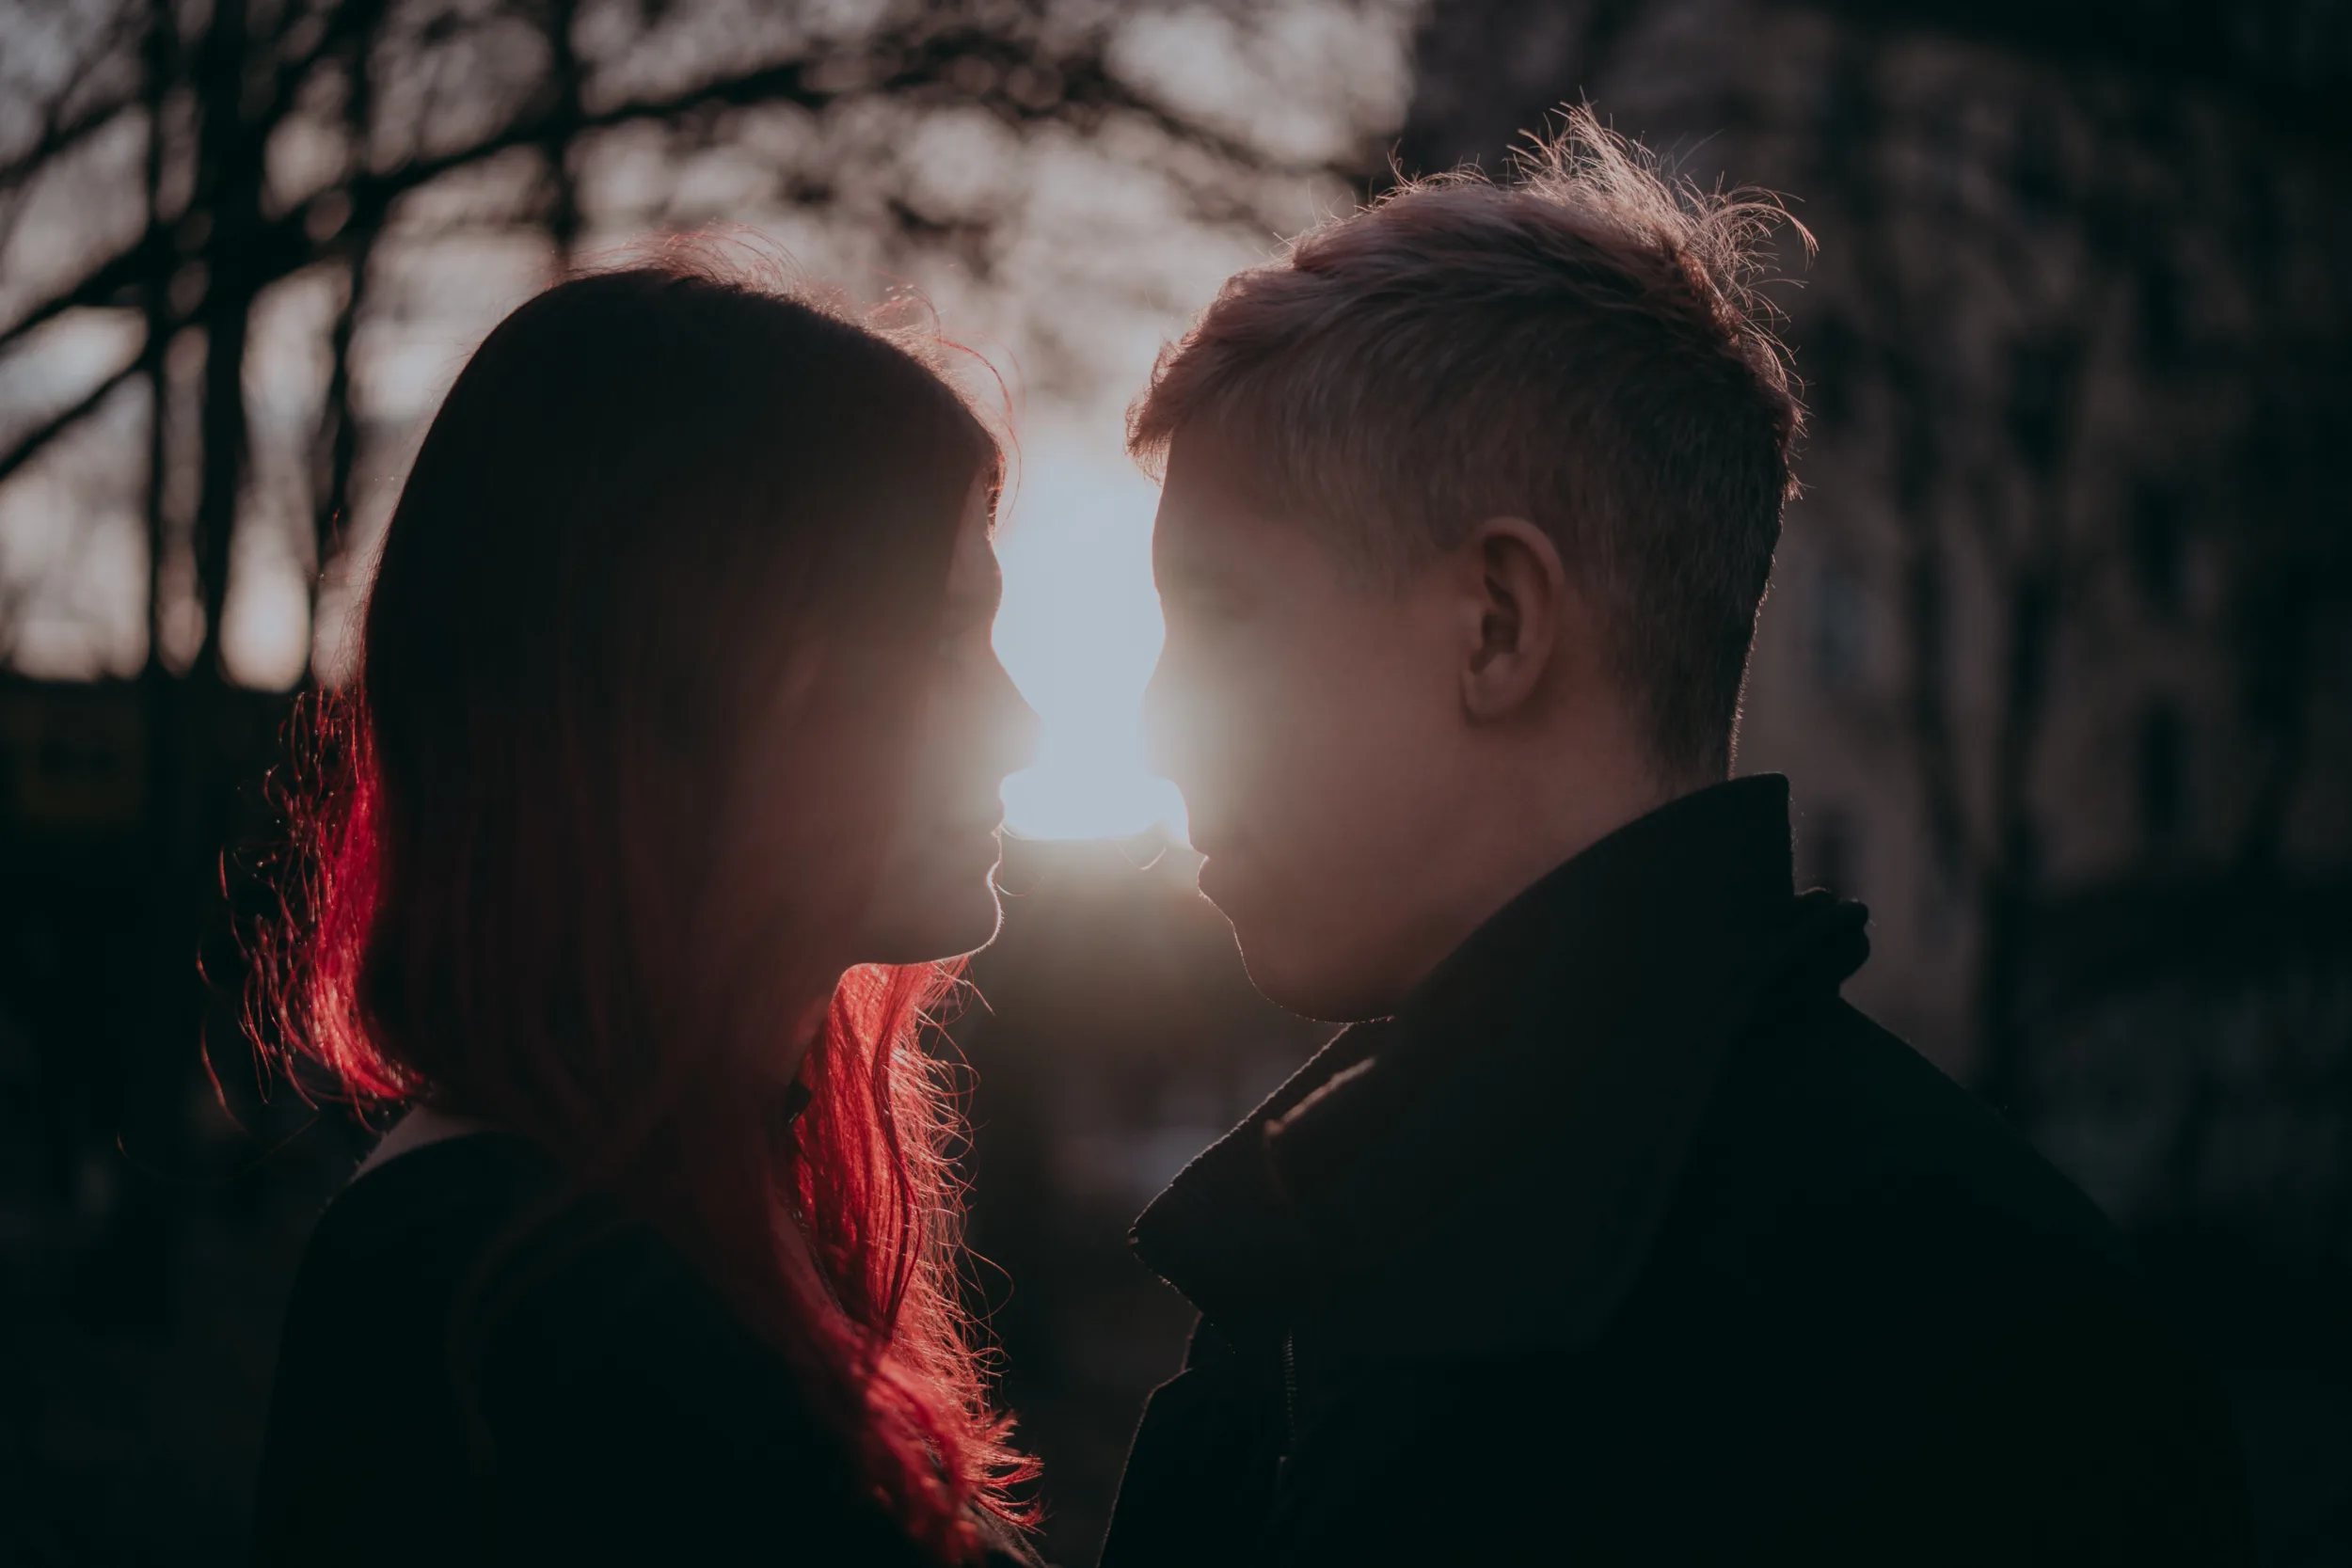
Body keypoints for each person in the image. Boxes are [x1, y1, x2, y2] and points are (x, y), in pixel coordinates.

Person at [1101, 110, 2253, 1566]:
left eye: (1217, 620)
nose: (1153, 727)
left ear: (1497, 626)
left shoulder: (1972, 1349)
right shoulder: (1309, 1271)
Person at [249, 259, 1041, 1565]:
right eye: (945, 639)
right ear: (698, 682)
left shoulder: (632, 1225)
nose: (1021, 721)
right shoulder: (528, 1303)